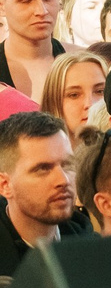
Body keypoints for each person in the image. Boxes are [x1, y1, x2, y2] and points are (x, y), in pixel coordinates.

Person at [0, 110, 83, 274]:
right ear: (5, 185)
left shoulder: (91, 251)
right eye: (43, 169)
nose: (63, 180)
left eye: (67, 165)